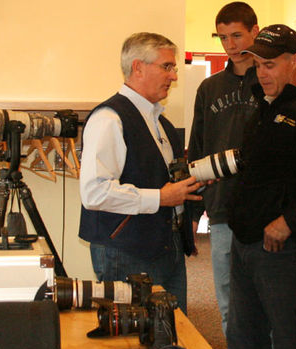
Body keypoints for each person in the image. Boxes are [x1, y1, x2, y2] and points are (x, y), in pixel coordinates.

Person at [226, 24, 296, 349]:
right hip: (244, 244)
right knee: (245, 345)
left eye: (270, 64)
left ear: (294, 61)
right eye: (257, 64)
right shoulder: (263, 104)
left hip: (281, 250)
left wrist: (290, 220)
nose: (262, 73)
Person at [78, 32, 203, 313]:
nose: (174, 77)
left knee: (171, 331)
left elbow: (163, 181)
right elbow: (94, 193)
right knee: (135, 341)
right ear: (138, 67)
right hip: (127, 251)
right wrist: (160, 197)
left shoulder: (161, 123)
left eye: (174, 68)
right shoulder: (108, 119)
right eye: (167, 67)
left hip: (167, 246)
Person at [187, 2, 259, 335]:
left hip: (265, 208)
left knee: (265, 294)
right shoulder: (209, 88)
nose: (230, 45)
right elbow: (199, 148)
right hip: (222, 207)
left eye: (236, 35)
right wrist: (194, 207)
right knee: (228, 296)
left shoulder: (271, 82)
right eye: (222, 38)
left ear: (254, 32)